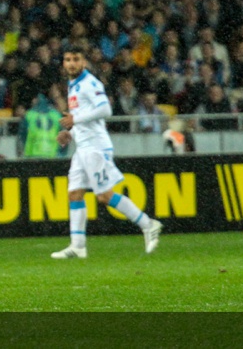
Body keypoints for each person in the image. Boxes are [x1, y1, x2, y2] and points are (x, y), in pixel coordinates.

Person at [51, 46, 162, 260]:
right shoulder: (73, 85)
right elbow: (83, 116)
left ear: (84, 62)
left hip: (96, 147)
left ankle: (148, 224)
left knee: (104, 195)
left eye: (76, 59)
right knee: (75, 193)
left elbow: (105, 110)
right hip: (82, 147)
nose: (71, 63)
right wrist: (70, 133)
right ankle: (78, 246)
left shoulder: (90, 83)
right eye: (68, 59)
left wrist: (75, 120)